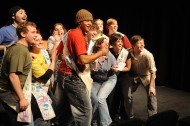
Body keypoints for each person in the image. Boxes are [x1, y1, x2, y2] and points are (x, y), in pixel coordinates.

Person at [56, 9, 109, 126]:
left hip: (64, 75)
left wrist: (69, 59)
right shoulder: (77, 34)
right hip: (71, 77)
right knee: (85, 111)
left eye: (91, 20)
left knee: (66, 110)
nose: (90, 23)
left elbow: (59, 54)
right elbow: (83, 59)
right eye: (87, 21)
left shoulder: (70, 33)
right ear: (80, 22)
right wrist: (101, 52)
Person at [0, 21, 38, 126]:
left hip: (15, 93)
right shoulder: (19, 50)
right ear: (23, 34)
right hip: (13, 95)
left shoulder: (21, 49)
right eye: (33, 32)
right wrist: (22, 98)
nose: (36, 35)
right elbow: (13, 76)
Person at [30, 32, 57, 126]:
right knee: (42, 116)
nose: (41, 42)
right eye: (37, 40)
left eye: (41, 39)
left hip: (46, 88)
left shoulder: (42, 51)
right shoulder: (32, 58)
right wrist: (54, 60)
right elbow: (46, 76)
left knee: (52, 111)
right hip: (37, 91)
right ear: (31, 43)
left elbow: (53, 52)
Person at [90, 37, 117, 126]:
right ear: (98, 44)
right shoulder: (93, 55)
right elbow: (91, 73)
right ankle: (94, 122)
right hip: (96, 80)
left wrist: (115, 69)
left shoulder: (110, 55)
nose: (107, 44)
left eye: (107, 43)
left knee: (101, 98)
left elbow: (116, 68)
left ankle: (106, 123)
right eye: (104, 42)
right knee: (94, 99)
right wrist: (95, 64)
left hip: (109, 79)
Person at [129, 35, 157, 118]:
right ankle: (129, 114)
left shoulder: (148, 55)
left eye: (143, 43)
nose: (142, 45)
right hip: (134, 76)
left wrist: (151, 87)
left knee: (152, 95)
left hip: (146, 76)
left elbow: (153, 72)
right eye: (139, 43)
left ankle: (153, 118)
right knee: (127, 93)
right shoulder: (129, 52)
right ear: (133, 45)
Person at [108, 33, 132, 122]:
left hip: (123, 76)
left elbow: (128, 68)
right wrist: (111, 68)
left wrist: (119, 69)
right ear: (113, 43)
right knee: (113, 97)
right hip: (111, 76)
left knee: (125, 96)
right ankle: (113, 116)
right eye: (118, 41)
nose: (121, 43)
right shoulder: (108, 51)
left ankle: (125, 117)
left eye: (121, 41)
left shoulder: (126, 53)